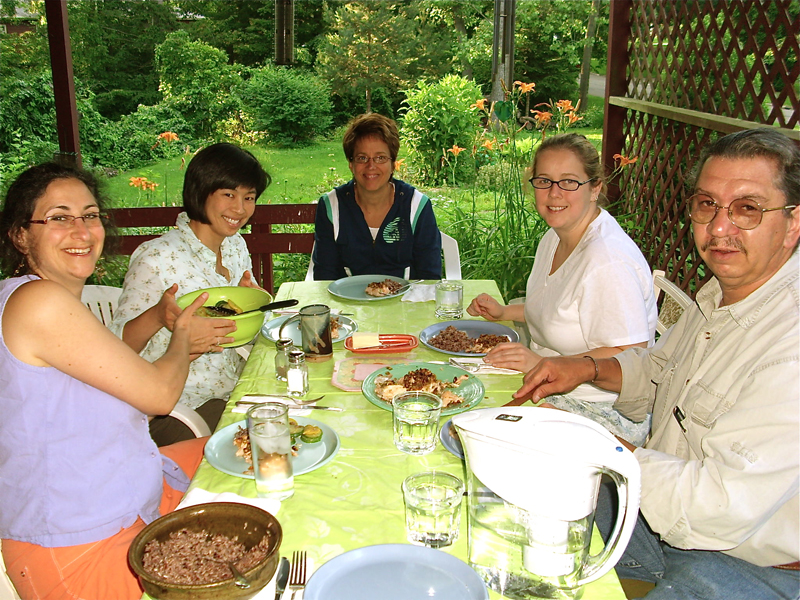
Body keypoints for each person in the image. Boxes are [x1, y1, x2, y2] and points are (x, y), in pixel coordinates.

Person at [515, 128, 800, 599]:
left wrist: (600, 448)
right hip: (664, 513)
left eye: (747, 208)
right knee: (522, 501)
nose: (720, 226)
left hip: (750, 561)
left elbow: (716, 508)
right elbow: (657, 370)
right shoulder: (722, 295)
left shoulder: (787, 348)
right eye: (707, 204)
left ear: (792, 223)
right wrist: (584, 367)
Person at [0, 163, 207, 599]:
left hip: (133, 492)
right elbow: (160, 395)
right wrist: (185, 338)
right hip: (79, 543)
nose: (81, 229)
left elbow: (111, 363)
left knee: (260, 443)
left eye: (90, 215)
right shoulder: (38, 302)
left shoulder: (40, 299)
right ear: (21, 234)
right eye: (59, 217)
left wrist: (157, 318)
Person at [467, 133, 657, 444]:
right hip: (549, 385)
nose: (554, 193)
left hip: (601, 412)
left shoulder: (607, 262)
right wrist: (503, 312)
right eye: (544, 181)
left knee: (474, 435)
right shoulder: (556, 236)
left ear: (595, 188)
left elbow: (631, 355)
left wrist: (543, 364)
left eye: (569, 182)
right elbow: (557, 307)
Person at [110, 143, 270, 446]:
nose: (240, 209)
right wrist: (158, 315)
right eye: (228, 195)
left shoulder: (235, 246)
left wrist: (256, 301)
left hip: (232, 386)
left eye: (248, 198)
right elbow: (116, 348)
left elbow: (241, 323)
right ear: (201, 190)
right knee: (265, 443)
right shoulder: (155, 259)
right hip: (176, 405)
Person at [311, 113, 442, 280]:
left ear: (393, 163)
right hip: (349, 302)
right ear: (351, 164)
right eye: (362, 158)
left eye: (380, 158)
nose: (371, 166)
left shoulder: (417, 205)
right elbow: (324, 277)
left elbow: (430, 277)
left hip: (406, 302)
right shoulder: (331, 205)